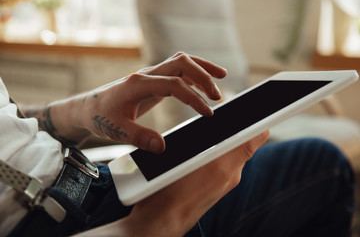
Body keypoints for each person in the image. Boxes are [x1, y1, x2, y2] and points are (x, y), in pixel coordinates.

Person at [0, 52, 355, 236]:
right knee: (324, 164)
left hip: (85, 178)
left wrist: (80, 111)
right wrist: (157, 224)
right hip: (92, 224)